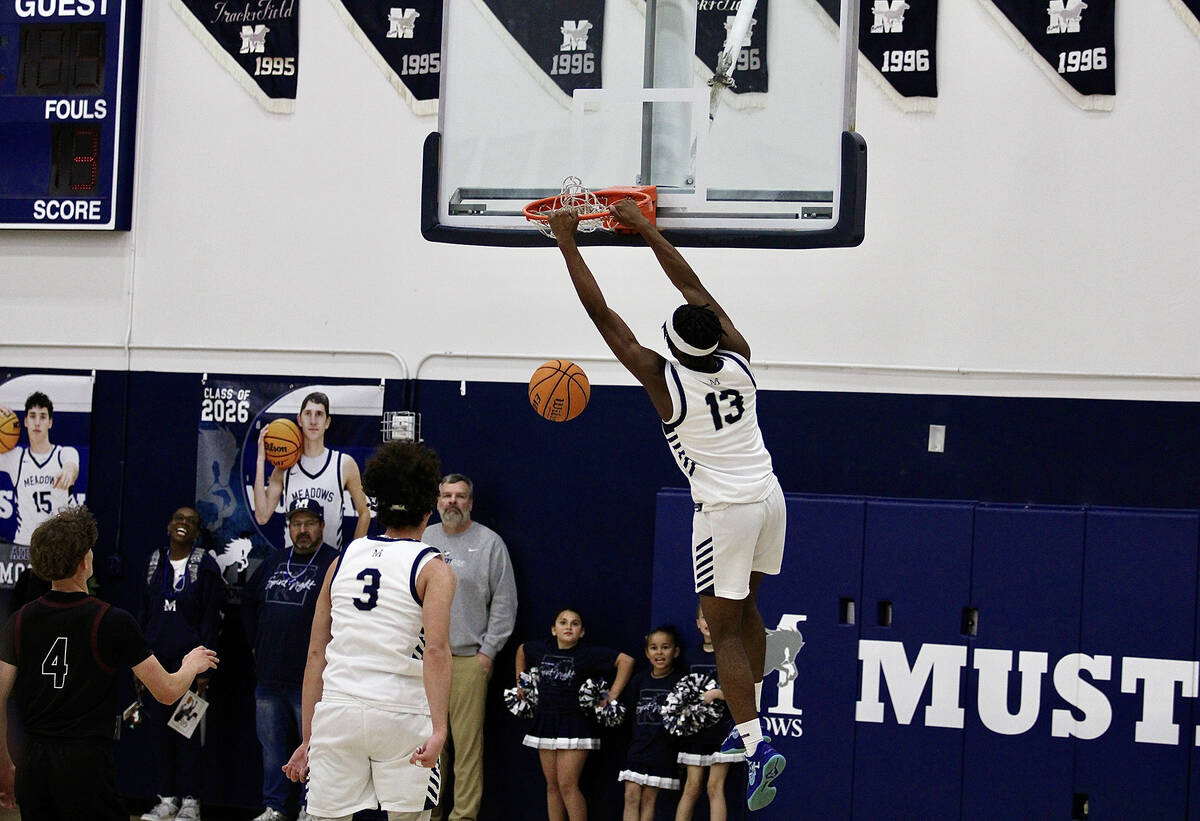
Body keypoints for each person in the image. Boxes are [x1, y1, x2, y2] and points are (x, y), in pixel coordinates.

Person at [550, 201, 787, 811]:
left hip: (724, 510)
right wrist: (648, 226)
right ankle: (755, 718)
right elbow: (692, 286)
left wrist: (567, 240)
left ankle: (755, 745)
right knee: (751, 608)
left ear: (674, 347)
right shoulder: (738, 354)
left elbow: (603, 316)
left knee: (721, 630)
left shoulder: (664, 379)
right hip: (769, 495)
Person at [0, 506, 218, 819]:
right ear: (83, 562)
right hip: (86, 763)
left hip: (34, 760)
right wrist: (192, 664)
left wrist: (4, 762)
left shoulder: (18, 621)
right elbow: (168, 692)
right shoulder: (111, 620)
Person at [282, 440, 456, 821]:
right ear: (429, 510)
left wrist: (308, 738)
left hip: (339, 710)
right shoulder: (433, 567)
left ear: (375, 503)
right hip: (401, 714)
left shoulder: (343, 558)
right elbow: (437, 652)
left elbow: (316, 654)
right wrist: (440, 729)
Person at [421, 473, 517, 821]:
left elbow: (505, 604)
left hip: (466, 662)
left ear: (470, 503)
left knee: (466, 750)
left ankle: (463, 817)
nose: (453, 503)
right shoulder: (424, 539)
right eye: (446, 496)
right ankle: (429, 814)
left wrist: (486, 654)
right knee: (429, 746)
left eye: (460, 496)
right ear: (437, 501)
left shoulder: (490, 544)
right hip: (425, 661)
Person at [244, 498, 340, 821]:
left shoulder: (333, 563)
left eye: (309, 523)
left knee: (314, 748)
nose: (302, 530)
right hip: (269, 677)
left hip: (312, 680)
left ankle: (308, 808)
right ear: (288, 528)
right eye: (296, 524)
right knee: (272, 751)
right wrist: (255, 644)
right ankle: (274, 807)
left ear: (322, 526)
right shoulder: (273, 561)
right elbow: (247, 603)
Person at [138, 507, 224, 821]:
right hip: (156, 665)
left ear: (198, 531)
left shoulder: (206, 566)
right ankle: (166, 799)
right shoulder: (153, 562)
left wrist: (204, 671)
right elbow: (143, 614)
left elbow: (211, 619)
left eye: (190, 521)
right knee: (158, 734)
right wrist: (140, 663)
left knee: (187, 735)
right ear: (168, 525)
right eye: (178, 518)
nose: (183, 524)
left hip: (190, 669)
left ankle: (191, 802)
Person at [516, 608, 635, 821]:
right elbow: (522, 651)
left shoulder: (587, 653)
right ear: (554, 629)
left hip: (575, 725)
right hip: (546, 723)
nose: (568, 627)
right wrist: (521, 683)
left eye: (574, 623)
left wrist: (612, 694)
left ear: (581, 632)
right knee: (552, 786)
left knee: (567, 785)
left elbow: (625, 661)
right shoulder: (541, 649)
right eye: (563, 622)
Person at [254, 391, 370, 550]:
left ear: (327, 422)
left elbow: (364, 513)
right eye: (308, 414)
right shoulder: (284, 468)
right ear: (299, 420)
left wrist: (352, 556)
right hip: (292, 562)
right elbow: (262, 516)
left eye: (319, 414)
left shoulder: (343, 464)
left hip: (329, 565)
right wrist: (261, 459)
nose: (313, 420)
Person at [675, 606, 741, 821]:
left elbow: (742, 691)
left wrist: (717, 694)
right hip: (695, 732)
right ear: (698, 622)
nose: (709, 622)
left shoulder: (730, 654)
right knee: (692, 788)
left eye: (714, 617)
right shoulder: (689, 656)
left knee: (714, 786)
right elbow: (681, 692)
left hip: (721, 731)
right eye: (705, 617)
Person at [619, 625, 685, 821]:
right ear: (647, 653)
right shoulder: (639, 681)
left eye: (665, 647)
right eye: (654, 648)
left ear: (676, 651)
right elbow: (629, 714)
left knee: (649, 799)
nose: (659, 652)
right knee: (630, 796)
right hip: (638, 749)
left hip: (662, 752)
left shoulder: (680, 682)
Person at [0, 392, 80, 546]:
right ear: (25, 421)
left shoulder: (64, 453)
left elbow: (72, 466)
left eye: (43, 417)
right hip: (25, 546)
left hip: (58, 545)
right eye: (32, 416)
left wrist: (68, 472)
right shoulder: (16, 458)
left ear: (50, 422)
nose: (37, 422)